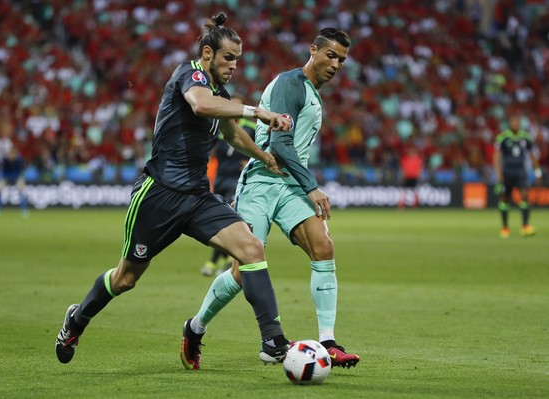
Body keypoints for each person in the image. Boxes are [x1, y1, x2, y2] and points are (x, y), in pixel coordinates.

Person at [55, 13, 293, 368]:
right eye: (228, 58)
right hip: (159, 194)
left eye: (237, 61)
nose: (233, 66)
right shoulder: (190, 73)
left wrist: (264, 156)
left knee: (251, 247)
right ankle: (77, 320)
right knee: (125, 279)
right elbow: (199, 104)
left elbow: (230, 134)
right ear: (208, 53)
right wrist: (254, 111)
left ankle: (273, 341)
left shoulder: (221, 95)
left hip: (198, 196)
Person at [182, 27, 360, 370]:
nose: (336, 64)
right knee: (241, 271)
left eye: (341, 59)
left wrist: (303, 183)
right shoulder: (290, 84)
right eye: (331, 55)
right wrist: (312, 185)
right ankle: (195, 327)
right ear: (313, 50)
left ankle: (328, 342)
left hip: (290, 185)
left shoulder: (311, 91)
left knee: (324, 247)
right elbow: (279, 144)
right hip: (262, 183)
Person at [200, 94, 256, 277]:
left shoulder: (251, 129)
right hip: (221, 178)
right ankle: (224, 259)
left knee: (229, 218)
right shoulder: (220, 128)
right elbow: (208, 147)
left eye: (237, 106)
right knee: (218, 220)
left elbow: (261, 150)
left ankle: (214, 261)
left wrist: (250, 161)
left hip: (238, 180)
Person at [493, 115, 542, 238]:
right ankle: (505, 228)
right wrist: (498, 173)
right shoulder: (502, 138)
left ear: (519, 124)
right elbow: (497, 156)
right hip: (507, 172)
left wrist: (537, 172)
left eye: (517, 122)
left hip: (521, 171)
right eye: (513, 122)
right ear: (509, 124)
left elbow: (532, 156)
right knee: (505, 198)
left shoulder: (526, 137)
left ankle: (525, 226)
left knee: (525, 196)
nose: (515, 124)